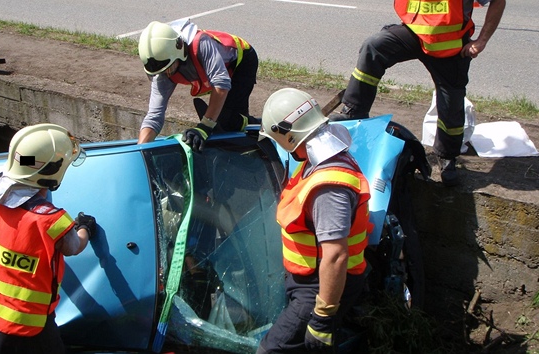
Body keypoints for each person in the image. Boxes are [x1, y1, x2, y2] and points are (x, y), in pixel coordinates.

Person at [330, 0, 506, 186]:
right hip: (413, 34)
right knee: (374, 47)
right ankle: (354, 112)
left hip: (450, 46)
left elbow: (498, 1)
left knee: (451, 103)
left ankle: (447, 158)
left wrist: (482, 41)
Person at [256, 88, 371, 353]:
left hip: (318, 289)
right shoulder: (321, 158)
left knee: (271, 350)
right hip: (311, 283)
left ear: (290, 137)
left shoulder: (328, 186)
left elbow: (335, 256)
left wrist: (322, 316)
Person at [0, 123, 98, 354]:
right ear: (53, 171)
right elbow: (74, 246)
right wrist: (85, 228)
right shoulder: (51, 220)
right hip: (27, 330)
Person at [137, 19, 259, 151]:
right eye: (161, 72)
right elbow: (154, 116)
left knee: (229, 121)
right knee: (223, 120)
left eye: (169, 69)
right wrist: (140, 150)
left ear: (179, 50)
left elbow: (221, 84)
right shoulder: (163, 69)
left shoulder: (202, 44)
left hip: (241, 61)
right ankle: (239, 126)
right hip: (221, 75)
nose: (166, 75)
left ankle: (259, 126)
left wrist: (205, 127)